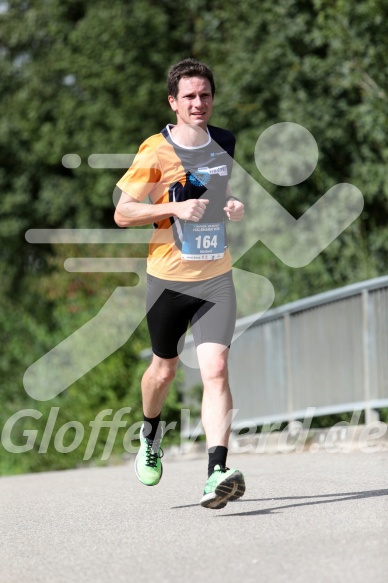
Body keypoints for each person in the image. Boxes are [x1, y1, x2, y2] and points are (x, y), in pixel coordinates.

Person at [114, 58, 245, 509]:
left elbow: (214, 194)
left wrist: (230, 207)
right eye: (188, 96)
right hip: (169, 280)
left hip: (216, 278)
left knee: (216, 369)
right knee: (164, 370)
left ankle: (216, 473)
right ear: (173, 102)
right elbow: (123, 212)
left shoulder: (224, 141)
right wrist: (170, 210)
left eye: (204, 95)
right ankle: (150, 433)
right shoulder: (154, 150)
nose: (198, 103)